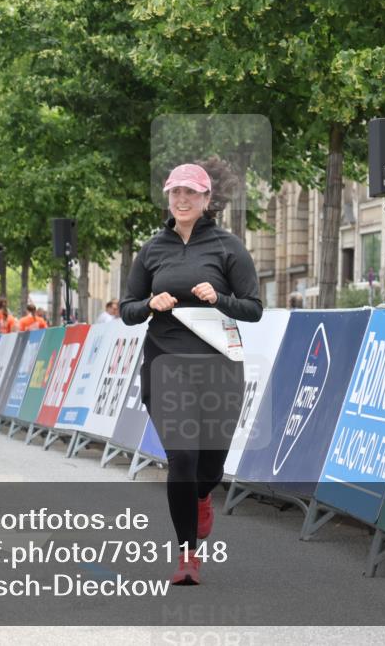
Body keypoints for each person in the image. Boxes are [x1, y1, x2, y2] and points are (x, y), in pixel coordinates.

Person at [120, 161, 262, 586]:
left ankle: (203, 495)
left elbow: (253, 308)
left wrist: (219, 298)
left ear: (206, 199)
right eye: (175, 192)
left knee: (210, 465)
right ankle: (187, 556)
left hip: (218, 364)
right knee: (182, 457)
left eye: (190, 192)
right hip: (165, 361)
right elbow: (128, 309)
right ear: (168, 197)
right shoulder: (152, 249)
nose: (181, 199)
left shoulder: (228, 246)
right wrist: (150, 305)